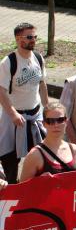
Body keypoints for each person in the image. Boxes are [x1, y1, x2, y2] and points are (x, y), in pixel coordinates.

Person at [0, 22, 48, 184]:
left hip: (35, 115)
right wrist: (13, 114)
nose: (33, 40)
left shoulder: (38, 58)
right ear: (18, 39)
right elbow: (1, 91)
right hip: (14, 118)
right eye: (29, 37)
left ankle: (35, 187)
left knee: (40, 154)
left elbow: (42, 84)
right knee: (10, 158)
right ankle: (11, 188)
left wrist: (47, 107)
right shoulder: (9, 62)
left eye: (35, 37)